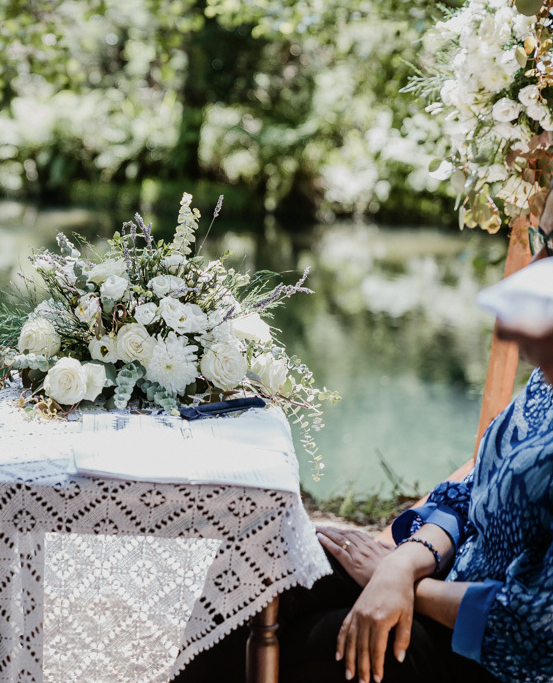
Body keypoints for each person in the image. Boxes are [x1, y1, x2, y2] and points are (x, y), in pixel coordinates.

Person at [179, 259, 553, 683]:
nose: (508, 333)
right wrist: (404, 564)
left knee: (316, 644)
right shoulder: (544, 383)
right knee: (264, 566)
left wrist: (404, 587)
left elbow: (531, 629)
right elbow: (469, 490)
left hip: (489, 655)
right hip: (441, 573)